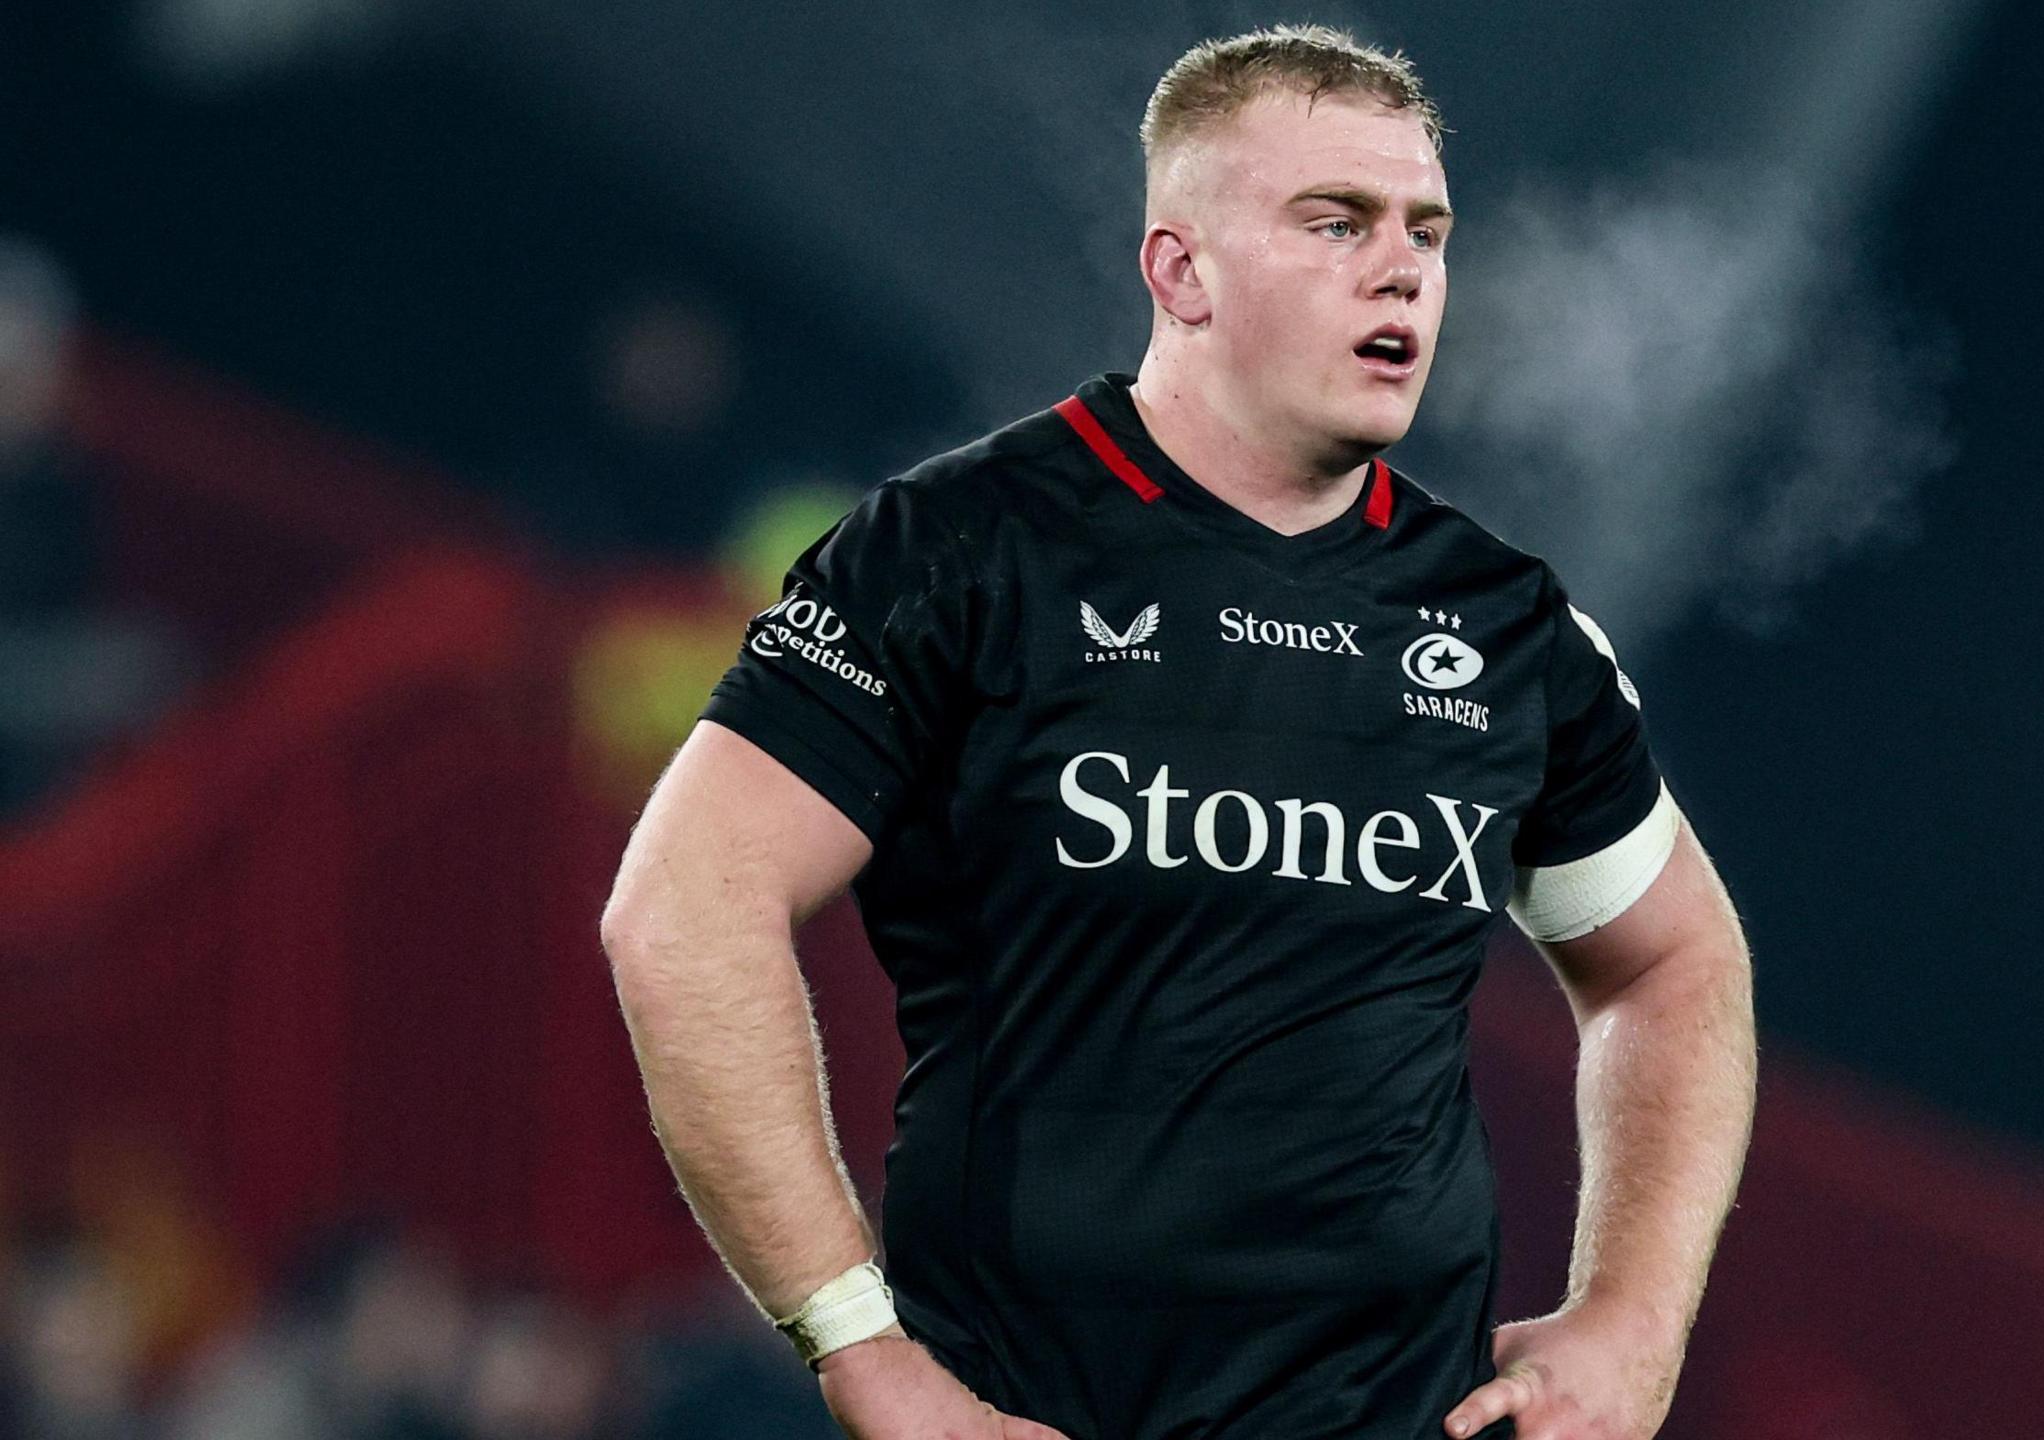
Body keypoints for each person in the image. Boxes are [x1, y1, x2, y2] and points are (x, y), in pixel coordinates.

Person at [600, 25, 1756, 1440]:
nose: (1402, 269)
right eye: (1335, 223)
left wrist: (1633, 1322)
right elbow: (683, 911)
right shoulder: (956, 556)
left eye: (1427, 231)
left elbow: (1677, 963)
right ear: (1181, 270)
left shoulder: (1508, 627)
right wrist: (861, 1351)